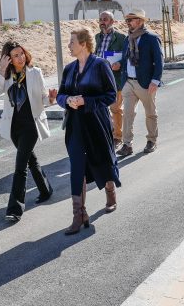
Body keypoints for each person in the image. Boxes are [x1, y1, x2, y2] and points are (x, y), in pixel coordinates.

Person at [57, 29, 121, 235]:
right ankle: (79, 214)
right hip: (75, 125)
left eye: (72, 41)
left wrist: (87, 101)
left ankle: (110, 193)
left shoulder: (101, 65)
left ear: (84, 43)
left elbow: (111, 95)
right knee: (77, 167)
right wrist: (67, 100)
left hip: (97, 123)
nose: (69, 45)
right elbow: (60, 95)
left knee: (103, 159)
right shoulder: (69, 69)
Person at [0, 41, 56, 222]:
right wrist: (1, 69)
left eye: (21, 53)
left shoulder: (35, 73)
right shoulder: (6, 77)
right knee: (30, 159)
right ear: (9, 59)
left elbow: (43, 98)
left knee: (20, 167)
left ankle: (15, 208)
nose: (20, 58)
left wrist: (51, 99)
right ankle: (45, 190)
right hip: (14, 128)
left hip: (31, 126)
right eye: (15, 56)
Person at [117, 8, 164, 157]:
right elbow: (126, 59)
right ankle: (127, 144)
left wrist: (155, 81)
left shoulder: (151, 38)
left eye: (130, 20)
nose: (128, 23)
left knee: (150, 113)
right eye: (127, 20)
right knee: (128, 114)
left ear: (140, 21)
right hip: (128, 83)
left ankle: (152, 140)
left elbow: (159, 60)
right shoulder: (127, 38)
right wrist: (119, 64)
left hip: (146, 83)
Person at [94, 11, 128, 149]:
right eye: (101, 19)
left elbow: (128, 56)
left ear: (112, 21)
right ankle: (107, 134)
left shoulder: (121, 38)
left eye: (105, 19)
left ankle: (118, 136)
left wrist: (120, 63)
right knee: (101, 109)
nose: (102, 22)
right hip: (99, 78)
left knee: (115, 108)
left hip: (115, 79)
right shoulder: (97, 37)